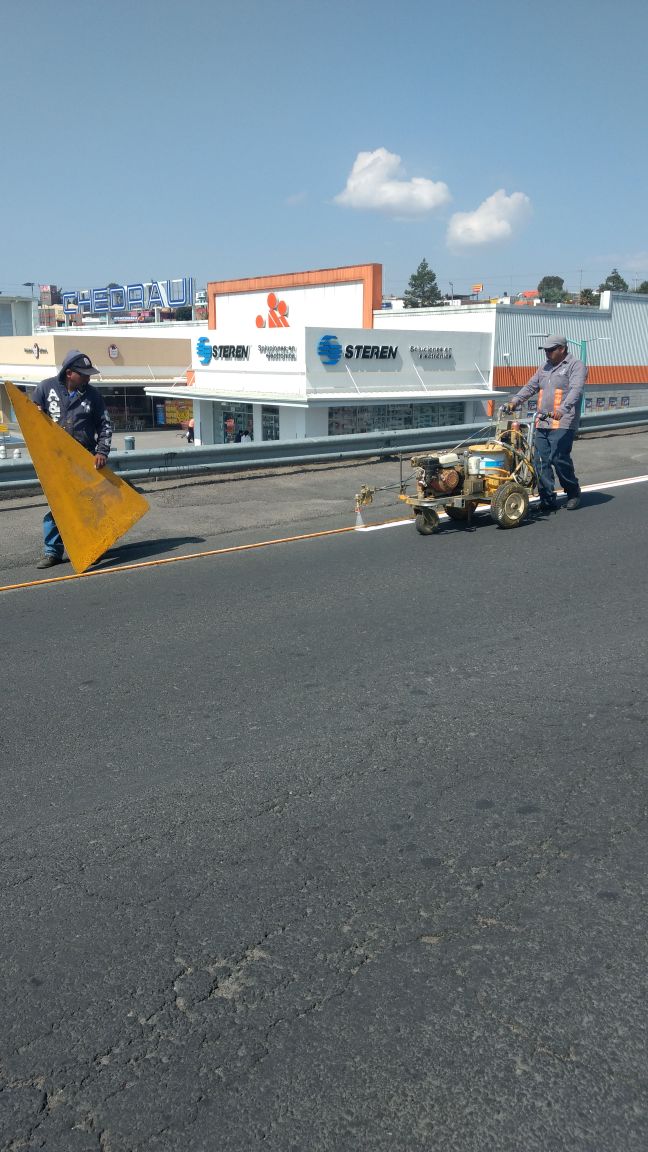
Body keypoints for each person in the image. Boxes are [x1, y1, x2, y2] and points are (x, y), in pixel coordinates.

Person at [31, 349, 113, 568]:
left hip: (84, 459)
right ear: (69, 373)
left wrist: (102, 451)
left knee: (88, 505)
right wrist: (34, 412)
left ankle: (92, 547)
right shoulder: (45, 388)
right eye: (83, 373)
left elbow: (105, 425)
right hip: (54, 461)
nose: (88, 377)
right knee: (57, 507)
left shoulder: (93, 395)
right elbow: (29, 419)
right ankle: (53, 552)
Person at [505, 334, 586, 512]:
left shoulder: (575, 365)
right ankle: (547, 499)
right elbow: (530, 387)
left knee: (559, 459)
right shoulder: (544, 367)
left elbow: (576, 390)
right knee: (540, 460)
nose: (547, 353)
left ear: (562, 349)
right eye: (545, 350)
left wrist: (562, 410)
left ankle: (573, 492)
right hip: (542, 421)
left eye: (550, 350)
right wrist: (515, 401)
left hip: (563, 420)